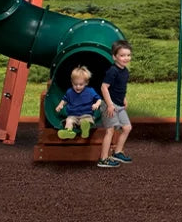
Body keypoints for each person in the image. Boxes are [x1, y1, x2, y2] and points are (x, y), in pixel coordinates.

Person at [97, 39, 134, 168]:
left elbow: (120, 87)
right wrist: (110, 104)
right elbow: (104, 87)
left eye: (128, 55)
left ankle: (117, 152)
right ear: (114, 57)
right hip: (109, 105)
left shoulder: (125, 71)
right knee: (110, 131)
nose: (126, 58)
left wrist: (123, 98)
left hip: (119, 104)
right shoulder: (112, 71)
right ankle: (103, 158)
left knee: (127, 128)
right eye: (122, 55)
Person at [55, 65, 102, 140]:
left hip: (86, 114)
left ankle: (85, 130)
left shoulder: (90, 91)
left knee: (86, 121)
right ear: (72, 82)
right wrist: (60, 105)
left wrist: (96, 104)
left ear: (86, 82)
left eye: (81, 84)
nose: (78, 87)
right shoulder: (69, 92)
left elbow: (99, 99)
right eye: (75, 84)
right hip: (73, 115)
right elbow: (65, 100)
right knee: (69, 120)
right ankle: (68, 132)